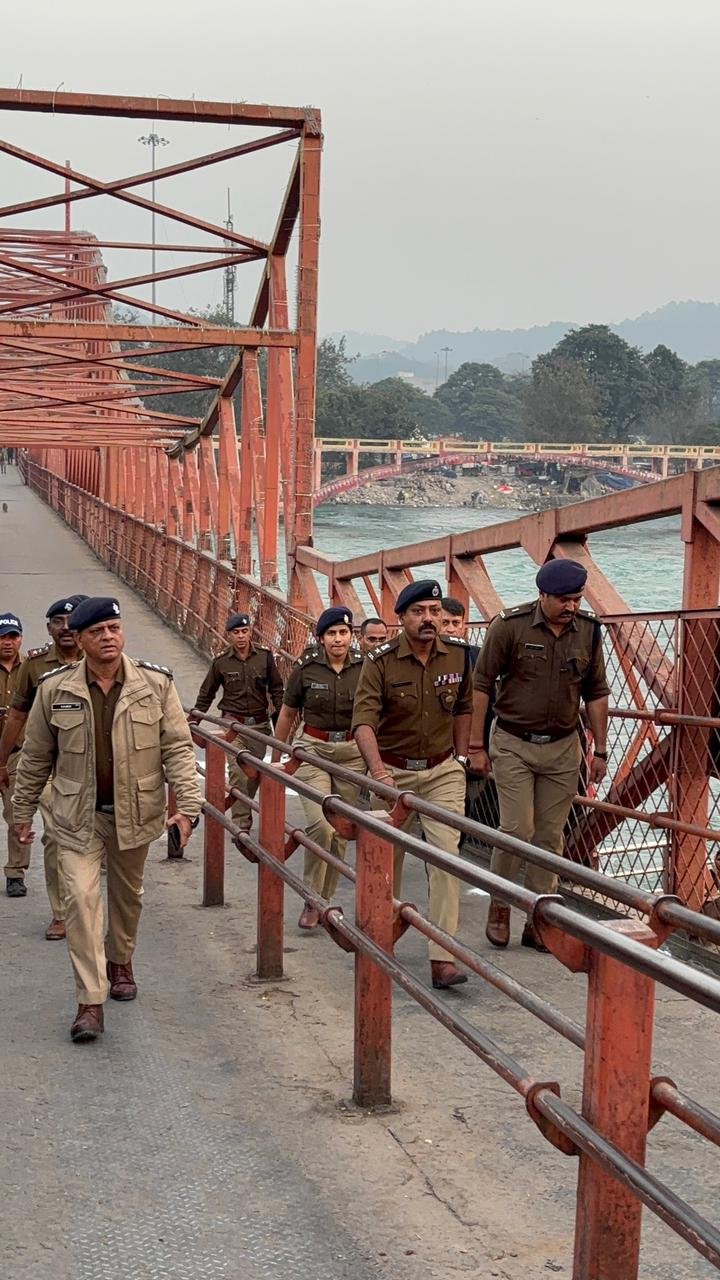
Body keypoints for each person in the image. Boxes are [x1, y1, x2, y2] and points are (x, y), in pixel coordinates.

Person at [11, 597, 203, 1044]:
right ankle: (90, 1002)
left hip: (136, 812)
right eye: (97, 631)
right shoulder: (55, 689)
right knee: (80, 900)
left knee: (127, 896)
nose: (108, 637)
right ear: (78, 639)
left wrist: (188, 807)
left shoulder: (155, 684)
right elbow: (36, 756)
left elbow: (178, 748)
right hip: (77, 816)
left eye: (114, 628)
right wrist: (21, 813)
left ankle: (120, 960)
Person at [469, 559, 609, 951]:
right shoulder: (509, 626)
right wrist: (476, 746)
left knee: (550, 835)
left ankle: (540, 918)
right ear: (543, 595)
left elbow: (596, 691)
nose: (571, 607)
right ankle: (500, 904)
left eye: (577, 599)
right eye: (563, 599)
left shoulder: (589, 631)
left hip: (563, 747)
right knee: (516, 829)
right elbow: (481, 683)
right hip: (513, 741)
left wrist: (601, 749)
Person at [352, 580, 473, 990]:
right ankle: (381, 933)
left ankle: (442, 957)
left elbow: (465, 706)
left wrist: (460, 758)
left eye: (434, 611)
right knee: (388, 858)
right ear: (401, 617)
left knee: (446, 858)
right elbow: (363, 721)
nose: (429, 619)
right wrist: (378, 773)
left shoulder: (458, 655)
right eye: (419, 612)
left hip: (442, 772)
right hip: (393, 770)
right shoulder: (380, 662)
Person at [0, 594, 88, 938]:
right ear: (48, 629)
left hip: (87, 761)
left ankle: (89, 903)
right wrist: (2, 761)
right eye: (57, 622)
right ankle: (61, 912)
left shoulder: (98, 661)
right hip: (44, 762)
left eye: (71, 622)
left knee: (88, 836)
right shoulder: (35, 667)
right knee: (54, 835)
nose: (65, 628)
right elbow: (17, 717)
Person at [273, 607, 366, 930]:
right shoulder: (307, 667)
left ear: (351, 635)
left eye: (343, 632)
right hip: (312, 750)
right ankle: (311, 898)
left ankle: (324, 900)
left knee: (340, 831)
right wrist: (276, 757)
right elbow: (287, 713)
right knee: (320, 825)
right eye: (331, 633)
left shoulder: (365, 667)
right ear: (321, 638)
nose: (338, 639)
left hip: (351, 754)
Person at [189, 613, 283, 832]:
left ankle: (239, 804)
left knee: (253, 773)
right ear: (229, 635)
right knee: (238, 772)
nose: (241, 636)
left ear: (250, 632)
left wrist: (280, 721)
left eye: (244, 631)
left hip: (259, 726)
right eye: (236, 632)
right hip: (232, 725)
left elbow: (277, 689)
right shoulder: (221, 662)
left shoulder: (265, 658)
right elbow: (207, 694)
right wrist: (193, 721)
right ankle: (242, 824)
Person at [0, 613, 26, 898]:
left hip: (16, 755)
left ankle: (16, 873)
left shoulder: (30, 669)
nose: (7, 642)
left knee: (16, 814)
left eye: (12, 636)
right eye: (2, 637)